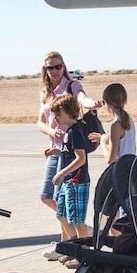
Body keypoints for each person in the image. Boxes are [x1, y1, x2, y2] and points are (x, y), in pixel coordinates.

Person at [37, 51, 99, 261]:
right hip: (58, 150)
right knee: (49, 198)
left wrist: (92, 104)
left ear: (63, 67)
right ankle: (70, 241)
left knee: (59, 200)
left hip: (70, 153)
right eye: (49, 67)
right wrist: (51, 132)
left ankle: (69, 243)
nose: (54, 71)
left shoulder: (71, 87)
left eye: (57, 66)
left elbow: (82, 99)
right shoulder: (45, 92)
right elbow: (40, 122)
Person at [49, 94, 90, 268]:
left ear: (69, 112)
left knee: (77, 220)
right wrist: (57, 153)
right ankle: (73, 247)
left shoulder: (75, 131)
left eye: (59, 114)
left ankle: (84, 254)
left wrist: (61, 174)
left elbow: (81, 158)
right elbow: (70, 154)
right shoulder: (68, 132)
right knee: (62, 215)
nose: (56, 118)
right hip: (68, 181)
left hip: (76, 181)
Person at [100, 83, 136, 165]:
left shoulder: (116, 126)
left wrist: (102, 142)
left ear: (107, 102)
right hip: (131, 168)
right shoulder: (129, 120)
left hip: (120, 171)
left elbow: (111, 160)